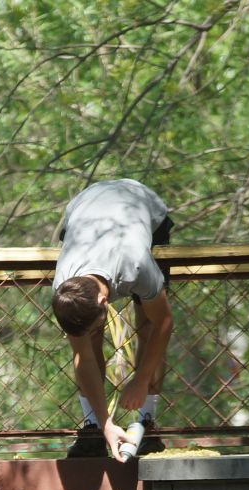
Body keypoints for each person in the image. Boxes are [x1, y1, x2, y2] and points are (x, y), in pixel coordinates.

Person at [50, 178, 175, 460]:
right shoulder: (65, 289)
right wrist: (106, 424)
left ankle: (146, 425)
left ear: (103, 302)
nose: (96, 332)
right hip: (85, 208)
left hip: (138, 204)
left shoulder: (137, 264)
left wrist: (141, 379)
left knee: (148, 325)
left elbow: (164, 324)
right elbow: (83, 357)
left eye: (97, 326)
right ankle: (93, 427)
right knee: (88, 345)